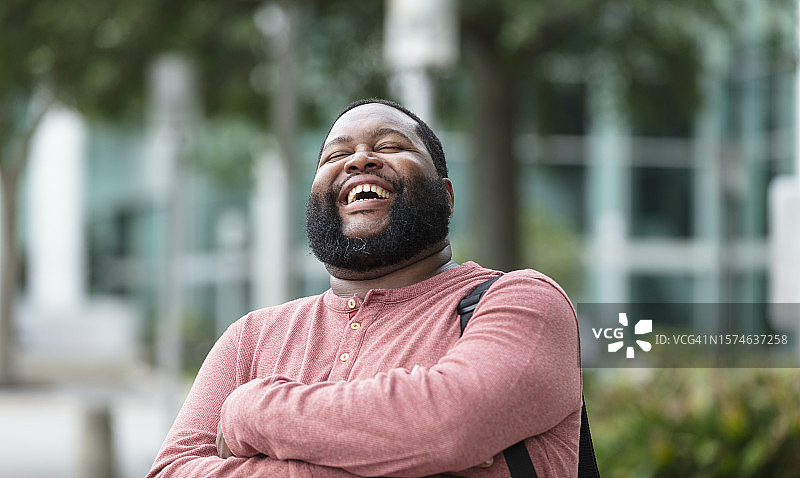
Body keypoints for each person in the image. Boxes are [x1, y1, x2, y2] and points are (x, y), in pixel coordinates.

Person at [146, 99, 582, 477]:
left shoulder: (522, 301)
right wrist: (408, 459)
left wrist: (250, 411)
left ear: (447, 196)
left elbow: (450, 426)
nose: (358, 161)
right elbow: (172, 471)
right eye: (336, 155)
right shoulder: (251, 338)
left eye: (390, 146)